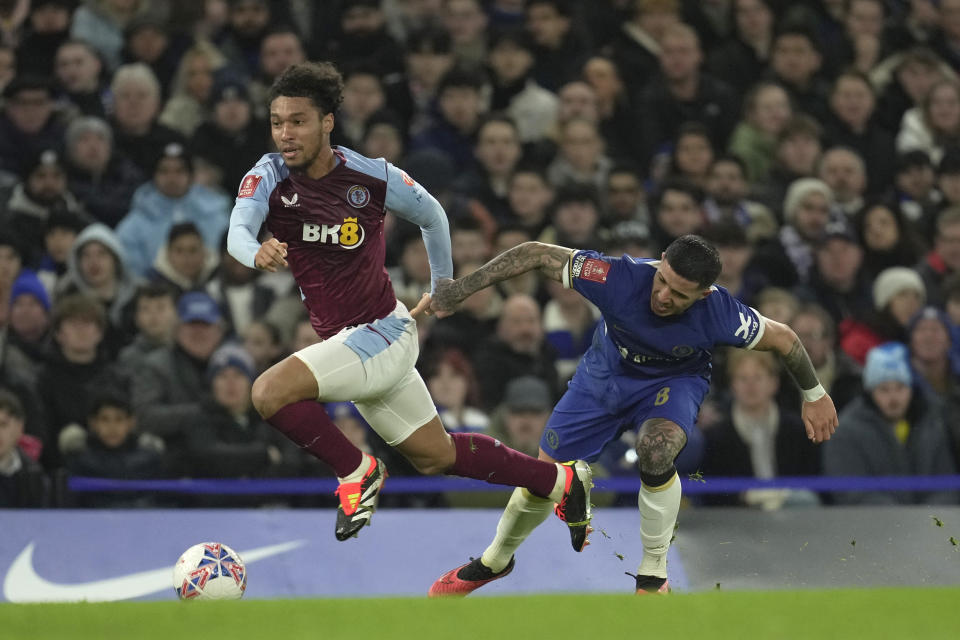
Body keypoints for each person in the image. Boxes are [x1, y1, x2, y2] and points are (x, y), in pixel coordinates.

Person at [226, 61, 592, 544]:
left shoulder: (371, 176)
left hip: (380, 332)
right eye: (277, 122)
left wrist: (443, 283)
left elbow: (433, 214)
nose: (285, 134)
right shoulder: (268, 175)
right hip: (347, 344)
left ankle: (357, 471)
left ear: (327, 123)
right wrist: (256, 251)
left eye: (298, 121)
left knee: (268, 393)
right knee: (435, 456)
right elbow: (236, 231)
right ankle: (561, 481)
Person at [425, 234, 839, 595]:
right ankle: (495, 562)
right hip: (602, 379)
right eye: (662, 280)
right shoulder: (617, 276)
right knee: (542, 480)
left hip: (671, 384)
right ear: (659, 262)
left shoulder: (722, 313)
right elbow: (536, 253)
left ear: (705, 294)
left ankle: (653, 577)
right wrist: (461, 289)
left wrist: (814, 394)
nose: (663, 296)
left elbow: (785, 339)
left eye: (679, 295)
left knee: (656, 452)